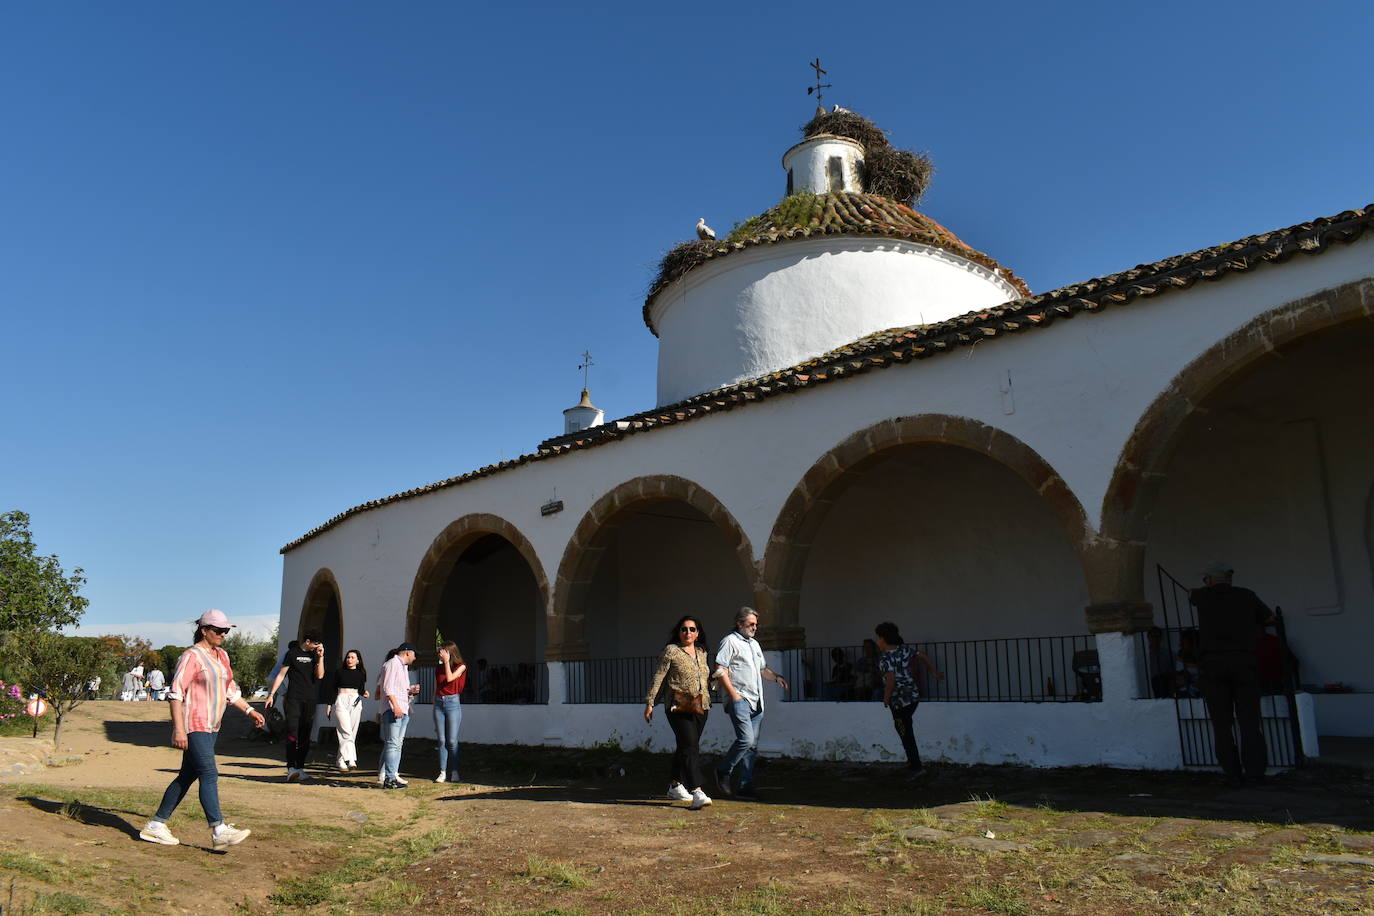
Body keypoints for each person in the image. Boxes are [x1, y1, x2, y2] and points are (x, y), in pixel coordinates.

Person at [139, 609, 265, 850]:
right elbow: (175, 694)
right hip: (194, 723)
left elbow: (230, 691)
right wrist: (179, 730)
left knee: (188, 775)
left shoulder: (222, 656)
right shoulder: (191, 656)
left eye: (226, 630)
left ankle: (156, 825)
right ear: (204, 630)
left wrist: (249, 711)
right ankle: (218, 830)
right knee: (209, 772)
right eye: (218, 630)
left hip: (213, 725)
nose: (223, 634)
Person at [1190, 561, 1274, 786]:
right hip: (1244, 661)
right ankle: (1255, 772)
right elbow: (1269, 618)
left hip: (1214, 664)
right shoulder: (1246, 596)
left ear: (1209, 581)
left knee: (1221, 722)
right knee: (1249, 720)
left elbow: (1192, 597)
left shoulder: (1202, 596)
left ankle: (1232, 772)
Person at [713, 607, 789, 800]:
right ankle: (724, 770)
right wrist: (734, 695)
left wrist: (776, 677)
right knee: (746, 740)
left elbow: (762, 669)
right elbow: (720, 669)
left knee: (752, 746)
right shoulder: (729, 641)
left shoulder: (754, 644)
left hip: (757, 701)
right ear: (740, 623)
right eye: (751, 624)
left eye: (756, 624)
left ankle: (745, 785)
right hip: (739, 699)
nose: (755, 627)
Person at [644, 615, 715, 810]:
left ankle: (675, 785)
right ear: (678, 632)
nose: (688, 633)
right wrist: (651, 703)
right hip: (678, 705)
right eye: (684, 629)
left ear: (698, 633)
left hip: (702, 705)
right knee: (690, 747)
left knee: (686, 746)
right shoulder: (671, 651)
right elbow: (659, 677)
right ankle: (697, 791)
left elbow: (704, 677)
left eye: (692, 629)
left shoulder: (702, 652)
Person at [874, 621, 943, 776]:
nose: (877, 641)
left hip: (898, 701)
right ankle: (913, 763)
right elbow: (922, 656)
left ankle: (916, 766)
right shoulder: (904, 650)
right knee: (905, 729)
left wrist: (885, 698)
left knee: (904, 731)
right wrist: (934, 672)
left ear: (883, 639)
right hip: (912, 696)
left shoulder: (884, 658)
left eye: (878, 638)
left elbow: (890, 680)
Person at [265, 632, 326, 782]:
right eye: (316, 643)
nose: (318, 645)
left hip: (310, 699)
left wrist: (321, 657)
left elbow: (320, 675)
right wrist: (272, 694)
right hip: (293, 698)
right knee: (293, 732)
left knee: (305, 733)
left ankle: (300, 767)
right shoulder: (292, 653)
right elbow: (280, 675)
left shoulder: (315, 656)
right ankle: (291, 767)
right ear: (307, 641)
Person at [377, 642, 420, 789]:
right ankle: (389, 778)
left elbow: (400, 690)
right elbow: (388, 688)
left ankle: (391, 774)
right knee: (392, 744)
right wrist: (395, 706)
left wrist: (411, 691)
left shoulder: (403, 667)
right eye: (414, 655)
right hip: (393, 710)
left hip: (403, 709)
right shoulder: (392, 664)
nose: (414, 658)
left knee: (396, 744)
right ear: (407, 652)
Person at [324, 649, 369, 772]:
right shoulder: (339, 672)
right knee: (346, 731)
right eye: (348, 657)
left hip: (355, 701)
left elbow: (361, 689)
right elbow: (333, 689)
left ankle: (340, 759)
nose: (349, 659)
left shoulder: (361, 674)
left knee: (351, 733)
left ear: (358, 660)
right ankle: (351, 759)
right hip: (341, 700)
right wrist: (329, 704)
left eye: (352, 657)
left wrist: (364, 693)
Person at [434, 640, 467, 783]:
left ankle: (454, 770)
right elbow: (438, 685)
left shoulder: (461, 666)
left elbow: (450, 678)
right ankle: (442, 772)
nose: (439, 654)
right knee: (441, 740)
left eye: (442, 651)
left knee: (452, 741)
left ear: (449, 652)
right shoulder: (438, 667)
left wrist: (447, 662)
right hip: (439, 703)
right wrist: (433, 703)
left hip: (453, 703)